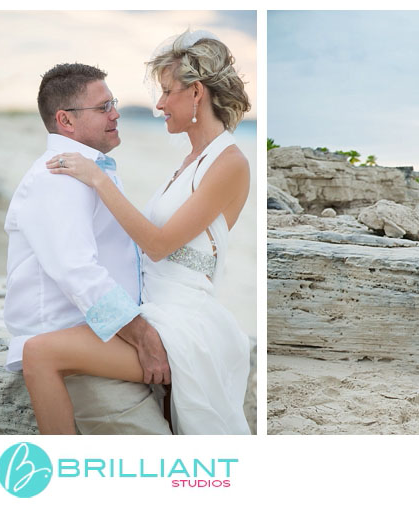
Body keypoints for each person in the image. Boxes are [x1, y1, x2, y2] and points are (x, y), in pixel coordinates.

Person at [18, 30, 252, 434]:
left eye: (166, 91)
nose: (158, 104)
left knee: (39, 353)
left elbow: (158, 245)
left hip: (181, 321)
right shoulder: (190, 160)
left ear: (196, 93)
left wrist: (98, 179)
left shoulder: (230, 162)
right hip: (152, 310)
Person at [4, 62, 172, 435]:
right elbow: (77, 271)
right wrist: (142, 336)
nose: (115, 114)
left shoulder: (87, 170)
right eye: (103, 108)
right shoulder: (58, 177)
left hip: (102, 340)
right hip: (76, 354)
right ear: (65, 120)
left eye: (112, 104)